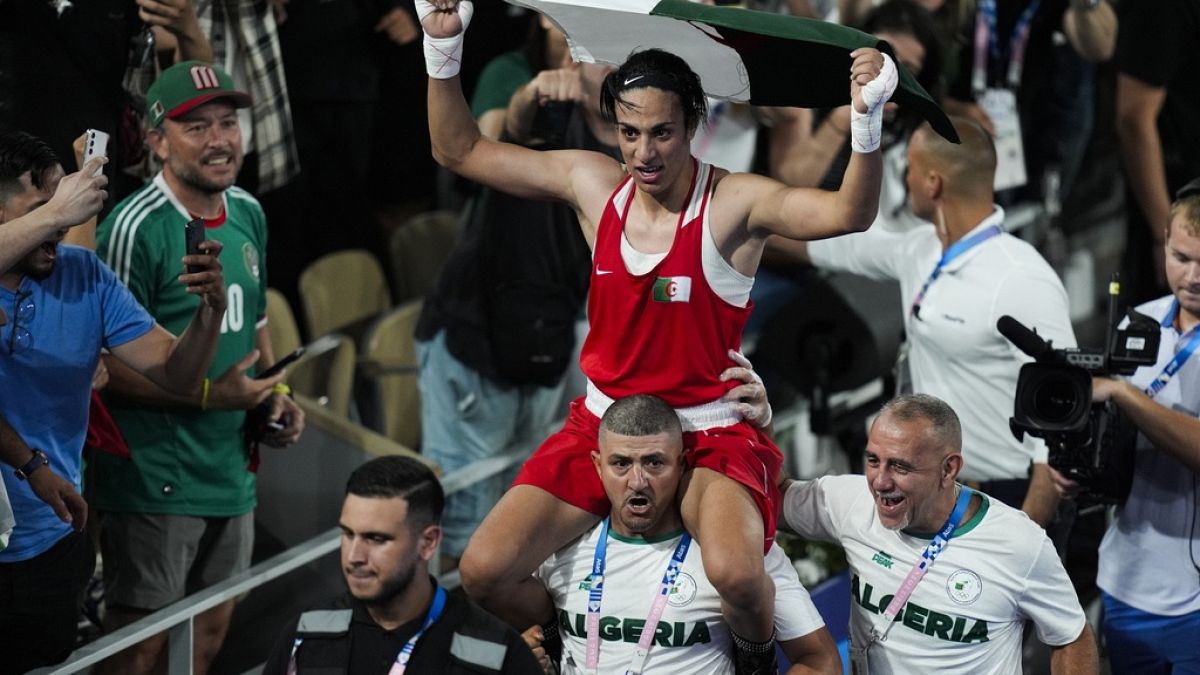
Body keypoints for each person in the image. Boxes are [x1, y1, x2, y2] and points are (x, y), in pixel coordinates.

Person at [418, 2, 898, 668]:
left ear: (695, 124)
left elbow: (850, 211)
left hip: (706, 432)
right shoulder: (593, 185)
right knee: (482, 570)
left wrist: (866, 124)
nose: (645, 153)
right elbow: (458, 149)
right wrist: (443, 47)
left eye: (663, 133)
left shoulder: (734, 201)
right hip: (603, 426)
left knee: (734, 572)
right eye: (630, 132)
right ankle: (570, 629)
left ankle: (752, 658)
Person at [92, 60, 305, 675]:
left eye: (228, 123)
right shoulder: (132, 227)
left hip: (229, 468)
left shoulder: (248, 211)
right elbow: (102, 365)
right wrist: (216, 395)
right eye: (197, 127)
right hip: (155, 473)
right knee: (137, 649)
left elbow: (256, 325)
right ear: (155, 140)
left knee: (208, 642)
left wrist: (275, 393)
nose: (220, 140)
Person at [0, 129, 227, 673]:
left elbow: (177, 372)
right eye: (43, 208)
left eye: (65, 205)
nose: (60, 222)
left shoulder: (83, 277)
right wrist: (60, 215)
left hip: (48, 540)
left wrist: (210, 313)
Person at [780, 116, 1076, 525]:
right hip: (941, 494)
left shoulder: (1021, 278)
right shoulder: (920, 250)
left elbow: (1064, 416)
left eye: (910, 170)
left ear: (933, 183)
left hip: (1008, 498)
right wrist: (738, 219)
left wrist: (1027, 533)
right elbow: (833, 245)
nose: (904, 179)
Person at [415, 16, 614, 573]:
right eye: (599, 57)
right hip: (474, 344)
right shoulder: (550, 117)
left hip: (547, 343)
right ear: (573, 63)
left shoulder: (634, 158)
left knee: (517, 513)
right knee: (466, 523)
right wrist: (529, 97)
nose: (615, 71)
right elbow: (484, 137)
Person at [781, 393, 1097, 672]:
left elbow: (1072, 637)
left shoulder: (1018, 544)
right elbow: (771, 498)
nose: (880, 482)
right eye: (874, 461)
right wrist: (754, 421)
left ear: (949, 469)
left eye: (900, 467)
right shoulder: (850, 501)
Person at [531, 394, 840, 674]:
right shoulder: (562, 553)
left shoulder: (737, 553)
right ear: (599, 466)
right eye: (621, 464)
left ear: (681, 464)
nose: (637, 481)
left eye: (654, 463)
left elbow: (819, 661)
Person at [1049, 179, 1200, 672]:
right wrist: (1077, 474)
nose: (1192, 276)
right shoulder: (1139, 325)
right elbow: (1112, 438)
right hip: (1130, 584)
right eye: (1180, 257)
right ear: (1164, 242)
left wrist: (1122, 394)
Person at [262, 455, 544, 674]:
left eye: (376, 538)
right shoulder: (307, 633)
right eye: (348, 534)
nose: (354, 556)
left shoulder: (494, 652)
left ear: (428, 543)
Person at [1113, 0, 1200, 304]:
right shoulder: (1163, 8)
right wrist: (1166, 234)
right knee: (1167, 339)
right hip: (1184, 210)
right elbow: (1134, 119)